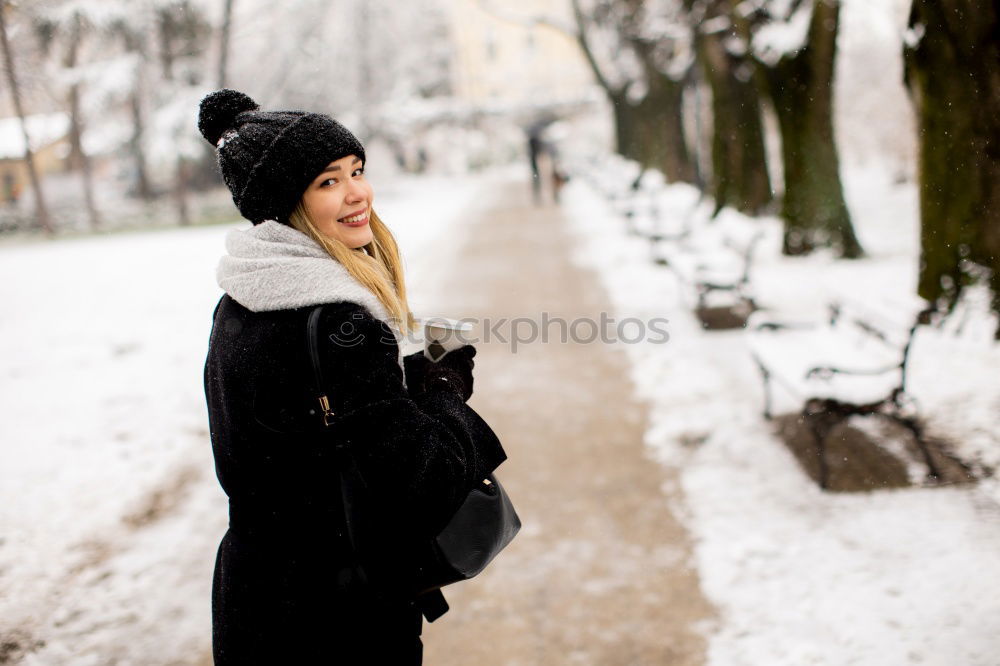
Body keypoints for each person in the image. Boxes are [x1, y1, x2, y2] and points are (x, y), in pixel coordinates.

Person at [198, 89, 507, 665]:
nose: (358, 192)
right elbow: (425, 480)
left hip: (258, 593)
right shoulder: (337, 321)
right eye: (328, 182)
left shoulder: (242, 300)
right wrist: (445, 382)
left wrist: (404, 379)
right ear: (284, 201)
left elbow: (313, 441)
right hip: (338, 617)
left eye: (356, 171)